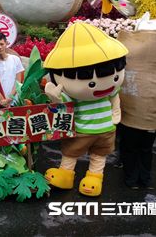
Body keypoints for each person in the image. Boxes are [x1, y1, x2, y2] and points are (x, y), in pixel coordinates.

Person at [44, 22, 128, 197]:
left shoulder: (111, 92)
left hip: (105, 130)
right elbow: (63, 104)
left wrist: (116, 113)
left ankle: (94, 179)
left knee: (99, 155)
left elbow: (115, 97)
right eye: (91, 83)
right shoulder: (75, 96)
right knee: (71, 152)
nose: (106, 84)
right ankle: (66, 175)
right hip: (83, 130)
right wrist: (54, 96)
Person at [0, 32, 24, 110]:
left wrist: (9, 99)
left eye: (2, 44)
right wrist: (2, 100)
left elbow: (18, 81)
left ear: (6, 43)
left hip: (13, 102)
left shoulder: (15, 59)